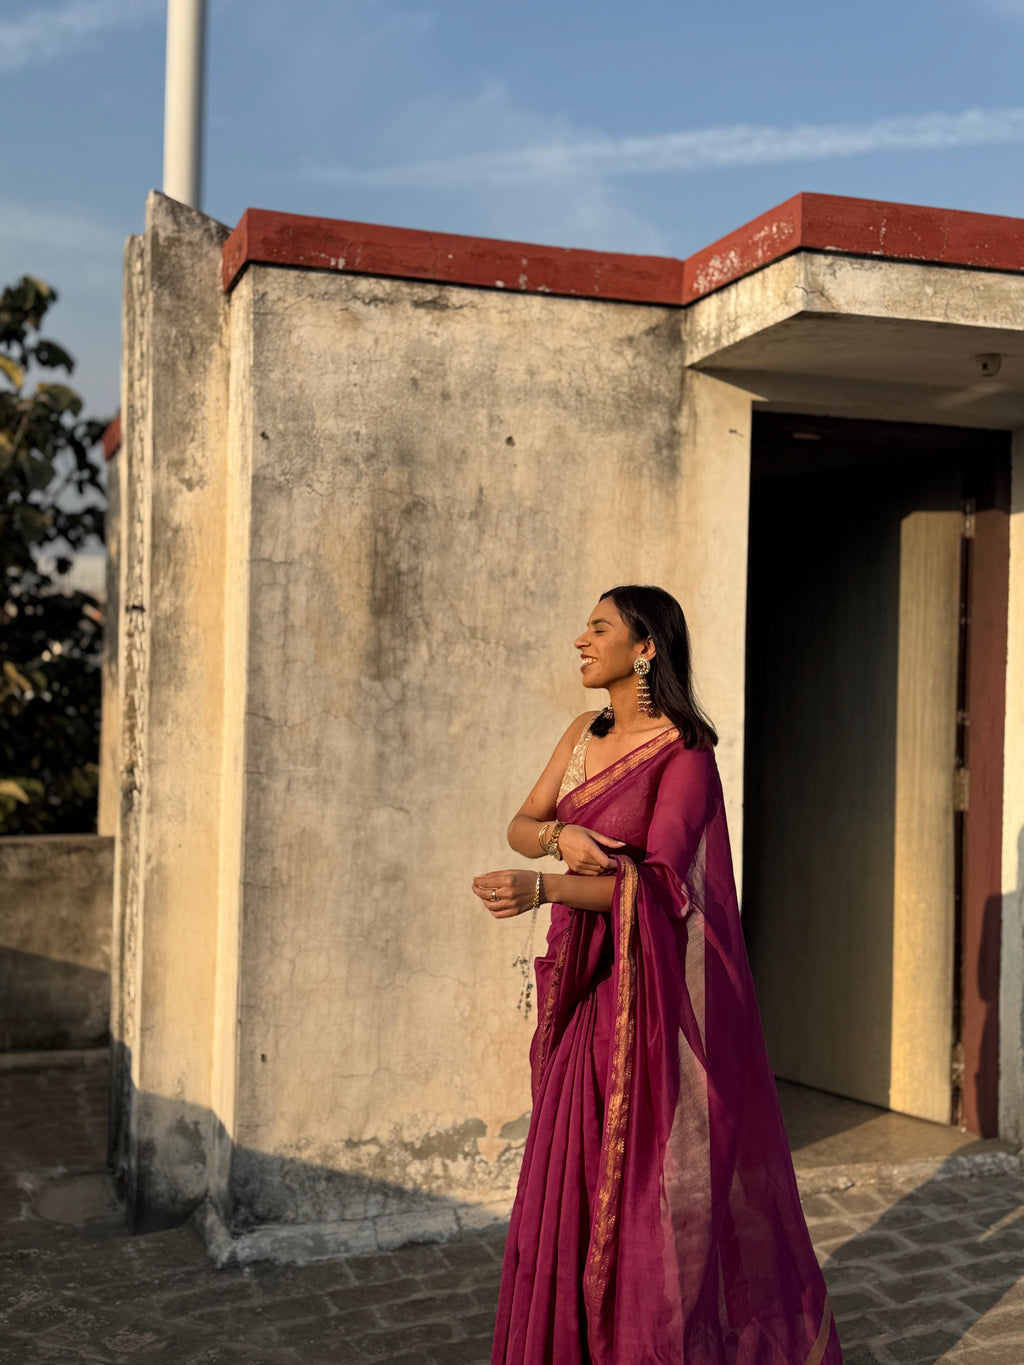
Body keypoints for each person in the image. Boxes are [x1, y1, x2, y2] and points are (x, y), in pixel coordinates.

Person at [473, 585, 843, 1365]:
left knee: (644, 1202)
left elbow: (669, 891)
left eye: (598, 627)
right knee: (566, 1186)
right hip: (582, 995)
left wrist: (543, 886)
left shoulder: (685, 754)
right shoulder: (582, 734)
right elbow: (522, 822)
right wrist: (559, 839)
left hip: (644, 1007)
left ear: (644, 648)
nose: (581, 639)